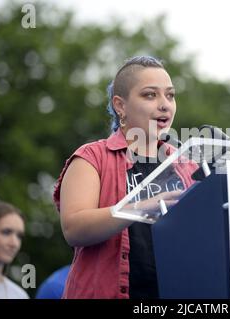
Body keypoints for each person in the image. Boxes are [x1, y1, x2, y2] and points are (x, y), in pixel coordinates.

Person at [53, 56, 198, 299]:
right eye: (150, 95)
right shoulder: (92, 157)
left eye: (170, 95)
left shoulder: (188, 165)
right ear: (120, 105)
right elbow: (74, 228)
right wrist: (142, 207)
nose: (165, 105)